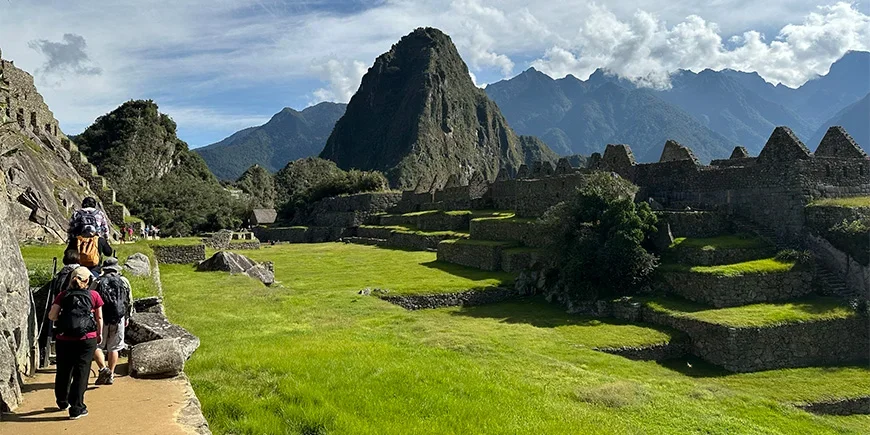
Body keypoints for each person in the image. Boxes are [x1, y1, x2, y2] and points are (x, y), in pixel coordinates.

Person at [49, 266, 103, 420]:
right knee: (81, 371)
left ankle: (62, 401)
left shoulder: (62, 295)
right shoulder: (94, 295)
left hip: (64, 338)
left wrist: (65, 320)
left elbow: (52, 316)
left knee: (64, 370)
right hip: (87, 338)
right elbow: (99, 318)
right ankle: (76, 407)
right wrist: (99, 334)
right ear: (88, 281)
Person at [93, 258, 132, 385]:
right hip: (119, 318)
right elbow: (129, 301)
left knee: (96, 345)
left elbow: (90, 298)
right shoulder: (124, 281)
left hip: (101, 317)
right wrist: (127, 317)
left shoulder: (97, 281)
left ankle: (103, 369)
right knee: (114, 348)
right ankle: (111, 373)